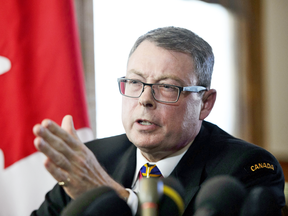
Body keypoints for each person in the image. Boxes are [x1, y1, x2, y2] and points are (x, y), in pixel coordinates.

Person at [31, 26, 285, 215]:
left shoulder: (246, 168)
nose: (144, 99)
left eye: (166, 87)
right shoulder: (94, 157)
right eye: (135, 82)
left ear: (205, 103)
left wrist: (119, 199)